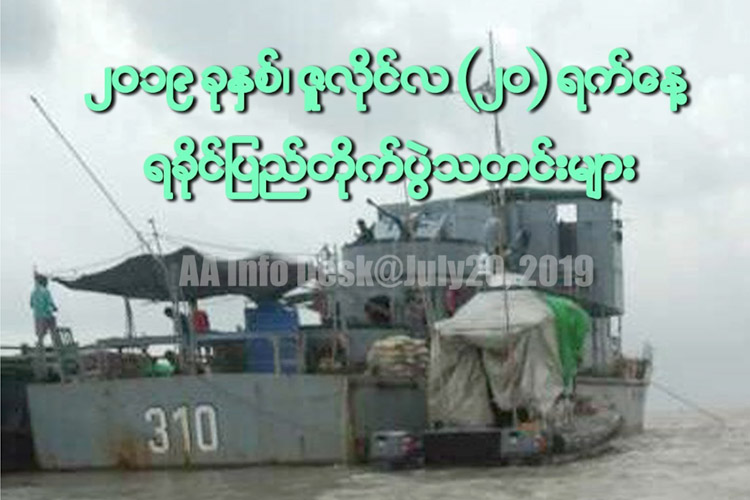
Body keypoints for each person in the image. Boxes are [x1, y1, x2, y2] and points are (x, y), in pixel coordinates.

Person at [30, 274, 62, 379]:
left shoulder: (33, 292)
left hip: (37, 317)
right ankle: (59, 355)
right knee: (55, 336)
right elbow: (50, 303)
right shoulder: (46, 291)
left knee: (40, 339)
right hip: (47, 316)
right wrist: (55, 308)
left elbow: (31, 305)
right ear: (44, 282)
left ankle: (39, 358)